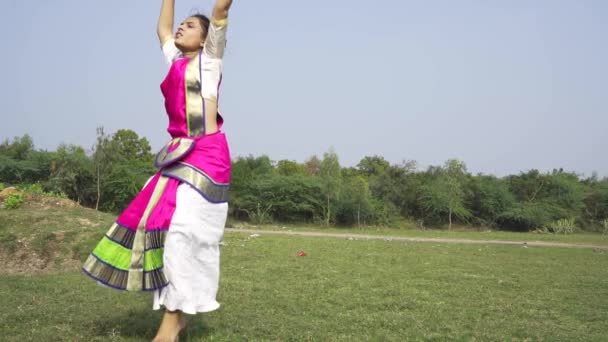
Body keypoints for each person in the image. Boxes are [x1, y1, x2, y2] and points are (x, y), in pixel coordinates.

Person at [82, 0, 234, 340]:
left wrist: (217, 14)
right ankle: (177, 317)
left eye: (191, 25)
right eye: (182, 23)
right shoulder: (176, 61)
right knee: (165, 233)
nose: (181, 27)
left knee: (185, 236)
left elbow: (221, 10)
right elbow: (162, 30)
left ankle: (170, 324)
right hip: (177, 156)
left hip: (207, 158)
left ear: (207, 39)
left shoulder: (209, 62)